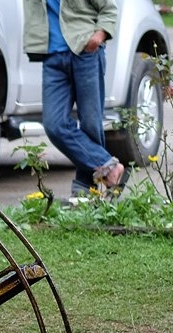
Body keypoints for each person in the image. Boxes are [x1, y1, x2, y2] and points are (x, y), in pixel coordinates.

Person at [23, 0, 128, 197]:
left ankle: (85, 186)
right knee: (54, 124)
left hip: (85, 51)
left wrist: (98, 36)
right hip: (52, 56)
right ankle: (109, 167)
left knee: (90, 122)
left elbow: (109, 8)